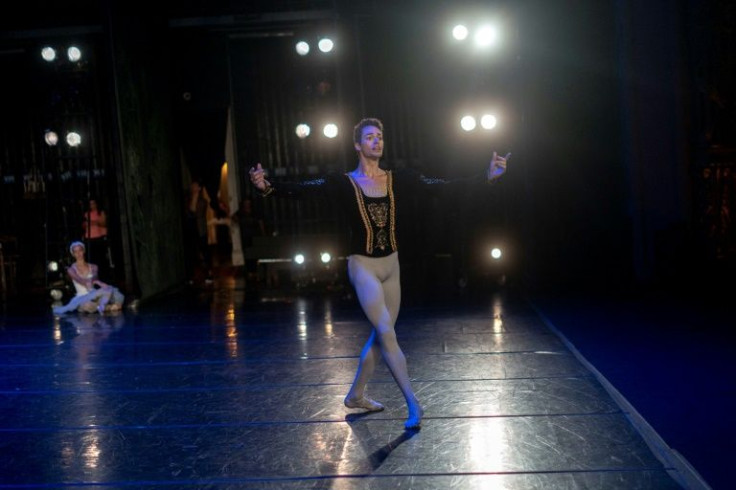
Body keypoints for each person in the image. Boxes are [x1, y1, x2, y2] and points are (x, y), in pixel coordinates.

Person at [249, 117, 509, 430]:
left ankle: (356, 395)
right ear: (357, 145)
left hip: (391, 266)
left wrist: (487, 177)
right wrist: (268, 187)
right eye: (370, 137)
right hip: (363, 266)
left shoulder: (399, 179)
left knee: (380, 336)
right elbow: (305, 190)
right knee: (386, 331)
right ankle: (413, 402)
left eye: (380, 137)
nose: (377, 141)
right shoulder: (342, 183)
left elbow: (442, 188)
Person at [52, 241, 125, 315]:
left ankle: (112, 306)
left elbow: (95, 277)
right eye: (75, 252)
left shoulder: (93, 266)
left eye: (80, 250)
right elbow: (79, 280)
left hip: (94, 294)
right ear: (73, 254)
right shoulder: (71, 269)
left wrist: (95, 281)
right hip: (82, 297)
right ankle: (108, 307)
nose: (78, 253)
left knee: (114, 292)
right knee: (86, 306)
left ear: (83, 251)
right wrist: (87, 282)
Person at [184, 179, 214, 284]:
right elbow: (189, 212)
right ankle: (192, 276)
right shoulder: (187, 199)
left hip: (200, 229)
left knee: (204, 251)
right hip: (191, 230)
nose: (192, 187)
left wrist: (195, 197)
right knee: (192, 253)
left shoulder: (203, 201)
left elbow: (194, 212)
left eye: (195, 186)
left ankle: (208, 274)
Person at [82, 198, 113, 278]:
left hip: (99, 237)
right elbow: (84, 225)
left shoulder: (100, 212)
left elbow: (103, 223)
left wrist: (92, 222)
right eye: (90, 204)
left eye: (93, 203)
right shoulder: (87, 213)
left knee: (101, 259)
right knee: (92, 259)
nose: (92, 206)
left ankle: (104, 276)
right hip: (90, 238)